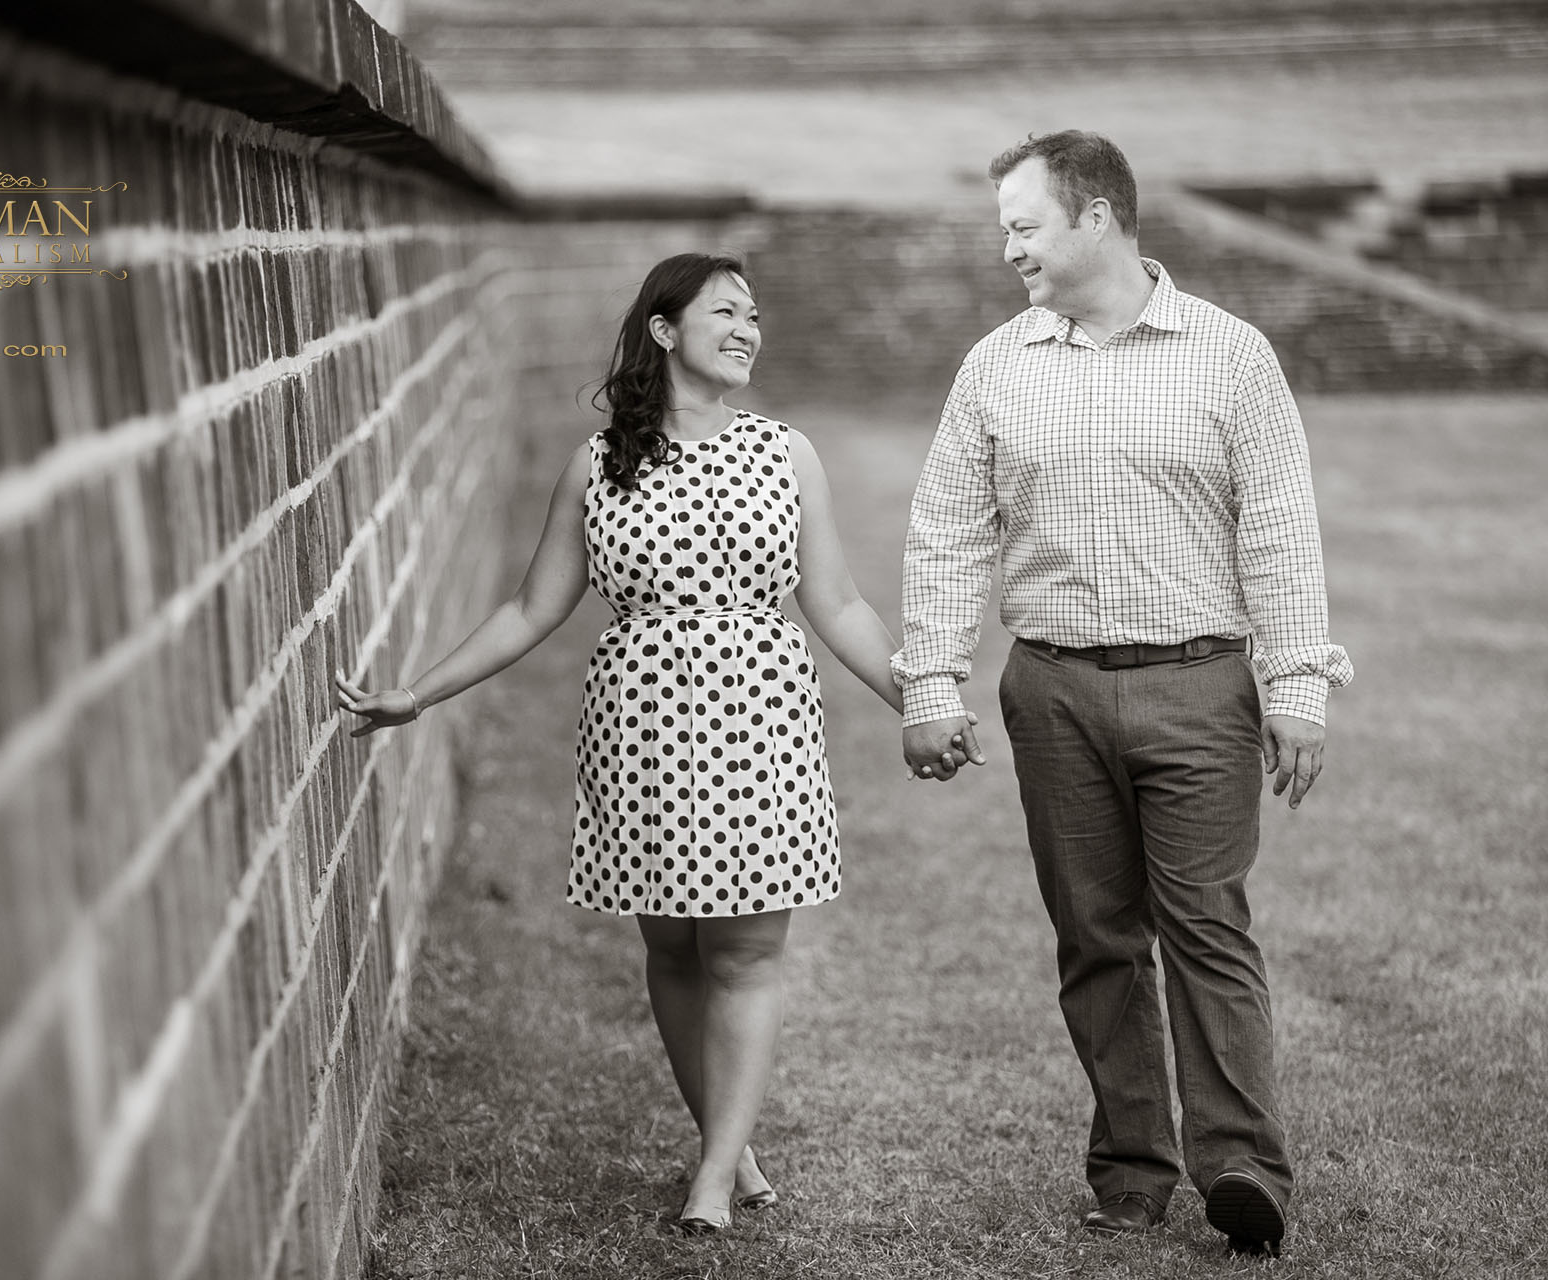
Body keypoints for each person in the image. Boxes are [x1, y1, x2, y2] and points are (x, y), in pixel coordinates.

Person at [338, 253, 967, 1232]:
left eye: (755, 314)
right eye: (726, 310)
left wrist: (918, 694)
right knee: (672, 942)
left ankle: (713, 1175)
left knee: (748, 948)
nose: (749, 327)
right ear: (664, 330)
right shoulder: (598, 464)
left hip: (760, 722)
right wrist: (415, 693)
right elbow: (530, 606)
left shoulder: (786, 453)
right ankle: (732, 1137)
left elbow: (836, 602)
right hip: (642, 729)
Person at [893, 131, 1352, 1257]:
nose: (1008, 248)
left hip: (1199, 688)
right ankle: (1132, 1171)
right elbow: (949, 530)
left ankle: (1242, 1162)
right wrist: (930, 683)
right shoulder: (997, 366)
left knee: (1206, 926)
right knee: (1095, 935)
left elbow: (1281, 526)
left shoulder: (1230, 356)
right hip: (1049, 688)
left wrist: (1296, 679)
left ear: (1096, 218)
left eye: (1024, 225)